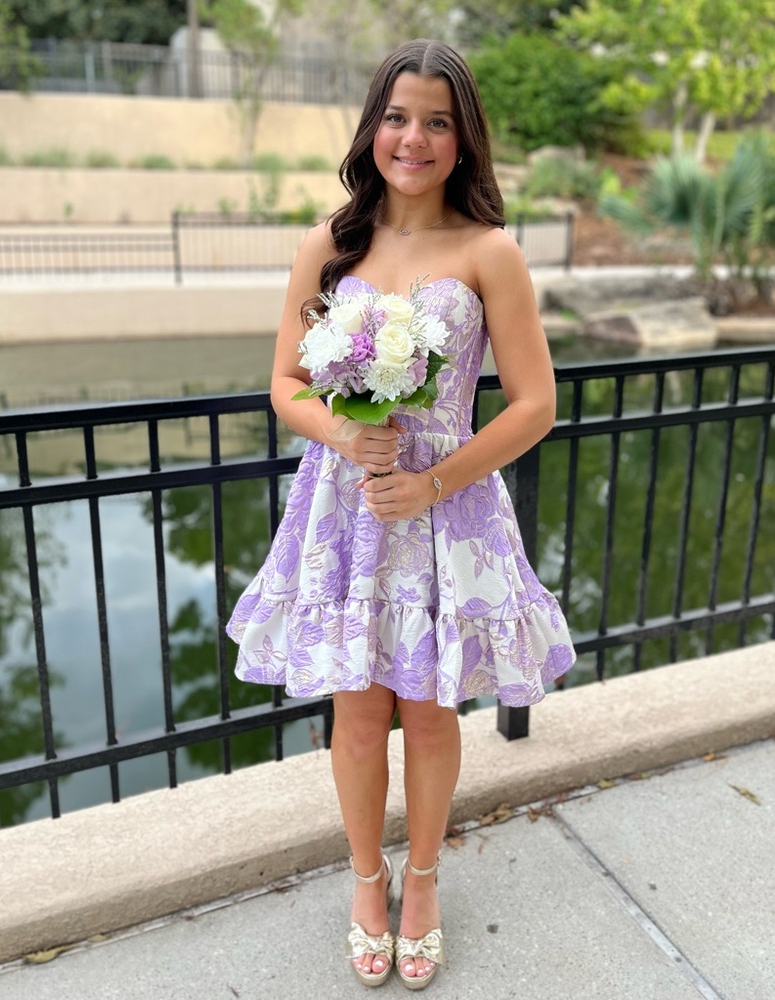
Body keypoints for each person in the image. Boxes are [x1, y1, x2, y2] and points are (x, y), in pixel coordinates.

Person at [225, 38, 576, 990]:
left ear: (463, 141)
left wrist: (433, 481)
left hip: (443, 509)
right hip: (345, 511)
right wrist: (342, 437)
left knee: (428, 714)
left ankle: (423, 883)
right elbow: (285, 385)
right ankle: (366, 883)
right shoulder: (329, 244)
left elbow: (536, 404)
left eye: (435, 121)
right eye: (396, 116)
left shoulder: (488, 251)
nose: (412, 138)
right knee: (354, 714)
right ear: (371, 126)